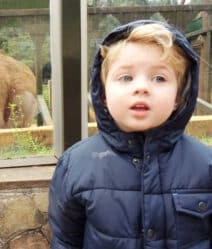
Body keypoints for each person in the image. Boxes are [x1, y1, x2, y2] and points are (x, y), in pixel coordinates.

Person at [48, 19, 212, 249]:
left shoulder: (205, 165)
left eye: (159, 78)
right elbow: (65, 242)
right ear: (103, 92)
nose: (141, 87)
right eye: (126, 77)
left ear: (179, 96)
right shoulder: (74, 165)